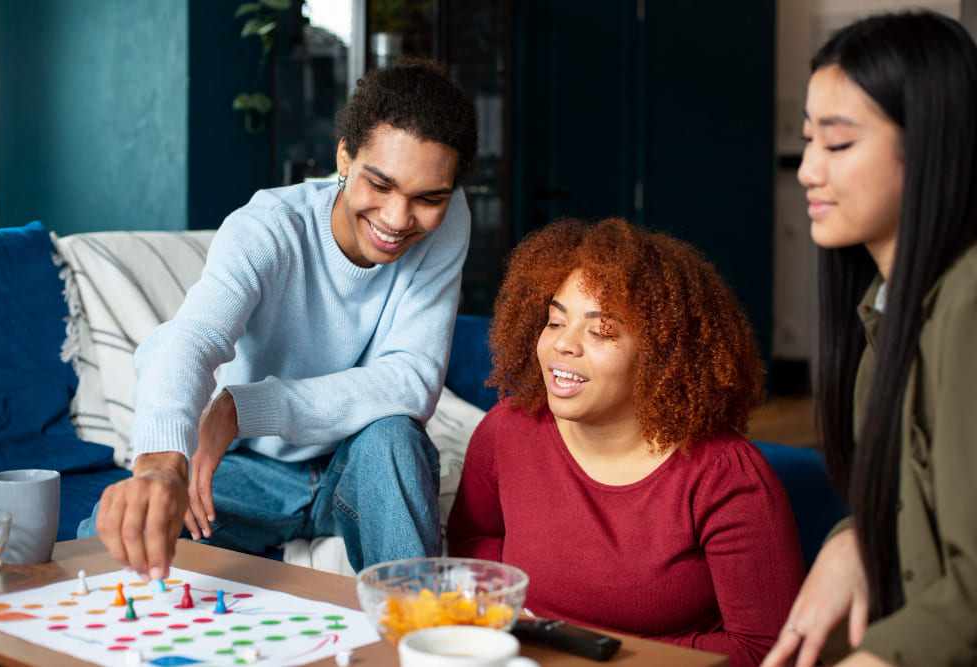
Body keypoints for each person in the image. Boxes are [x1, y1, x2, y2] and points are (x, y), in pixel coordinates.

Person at [81, 56, 479, 581]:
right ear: (344, 157)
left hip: (358, 469)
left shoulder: (447, 223)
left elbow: (411, 382)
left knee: (391, 436)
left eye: (427, 199)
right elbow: (193, 337)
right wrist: (159, 463)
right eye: (379, 185)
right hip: (251, 475)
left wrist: (248, 407)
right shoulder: (269, 227)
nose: (398, 219)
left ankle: (417, 638)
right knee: (104, 541)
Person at [447, 217, 805, 667]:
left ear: (663, 356)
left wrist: (595, 654)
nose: (564, 345)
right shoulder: (506, 430)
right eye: (556, 321)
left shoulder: (727, 476)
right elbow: (473, 535)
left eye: (601, 332)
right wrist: (507, 615)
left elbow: (768, 651)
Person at [761, 11, 977, 667]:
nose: (807, 171)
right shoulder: (882, 309)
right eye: (808, 142)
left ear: (933, 143)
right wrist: (854, 536)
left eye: (839, 144)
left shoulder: (967, 305)